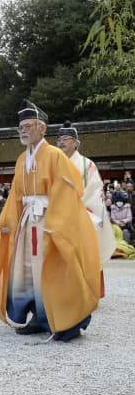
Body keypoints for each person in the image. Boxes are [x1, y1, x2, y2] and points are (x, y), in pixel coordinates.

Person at [0, 101, 100, 342]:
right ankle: (37, 316)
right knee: (27, 270)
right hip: (27, 219)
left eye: (28, 126)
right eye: (20, 127)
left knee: (52, 268)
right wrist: (7, 220)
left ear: (42, 128)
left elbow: (66, 189)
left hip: (50, 219)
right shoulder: (22, 159)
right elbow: (15, 195)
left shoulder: (54, 155)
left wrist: (56, 221)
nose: (23, 131)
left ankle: (62, 318)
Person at [56, 121, 117, 294]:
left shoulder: (86, 164)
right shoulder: (53, 162)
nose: (61, 143)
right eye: (59, 139)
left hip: (81, 213)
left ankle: (87, 291)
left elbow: (95, 190)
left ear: (76, 143)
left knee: (85, 253)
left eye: (66, 139)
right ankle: (60, 293)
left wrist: (80, 208)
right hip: (57, 215)